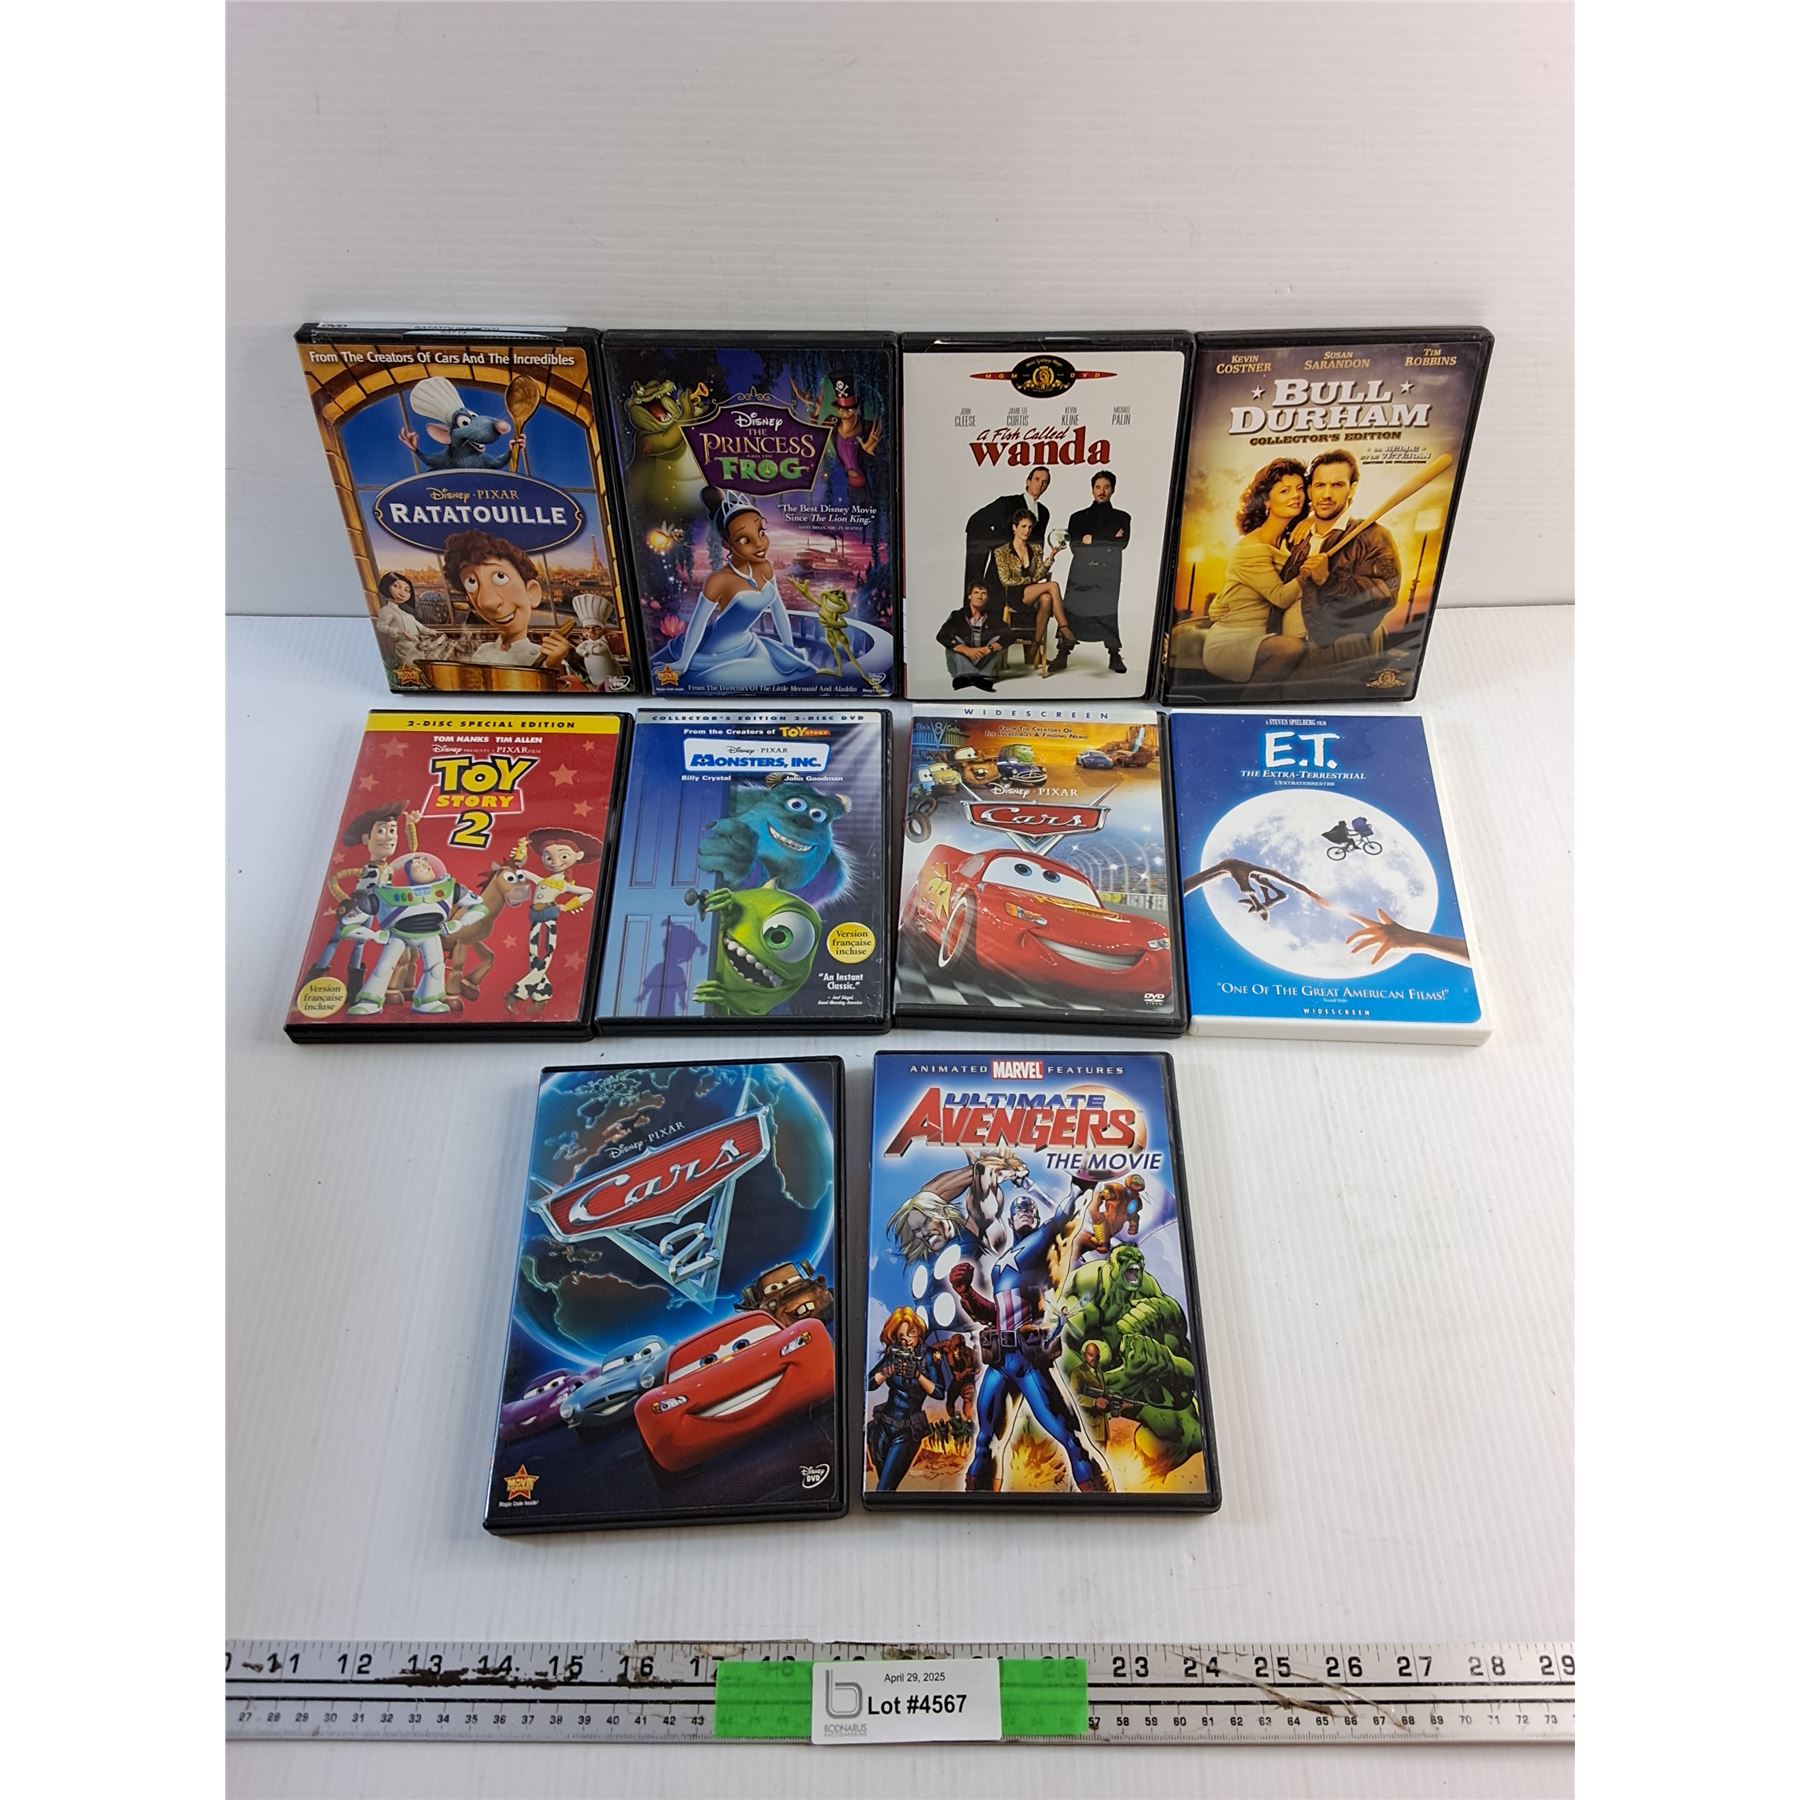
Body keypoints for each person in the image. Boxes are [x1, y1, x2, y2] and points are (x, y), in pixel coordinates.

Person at [670, 487, 817, 687]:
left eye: (761, 532)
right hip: (717, 652)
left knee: (797, 673)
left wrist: (789, 648)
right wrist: (684, 662)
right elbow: (698, 622)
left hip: (748, 643)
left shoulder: (765, 567)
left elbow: (778, 609)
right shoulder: (718, 580)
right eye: (745, 540)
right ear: (727, 544)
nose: (760, 544)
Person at [1198, 460, 1310, 686]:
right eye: (1285, 491)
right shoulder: (1251, 548)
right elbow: (1280, 597)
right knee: (1293, 648)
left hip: (1262, 633)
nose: (1295, 496)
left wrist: (1312, 519)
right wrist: (1307, 575)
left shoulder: (1287, 540)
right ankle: (1248, 702)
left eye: (1299, 489)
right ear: (1266, 500)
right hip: (1232, 640)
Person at [1278, 450, 1402, 649]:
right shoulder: (1298, 539)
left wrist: (1329, 581)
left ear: (1352, 489)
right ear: (1310, 491)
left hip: (1333, 649)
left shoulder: (1372, 536)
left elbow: (1386, 595)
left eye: (1337, 485)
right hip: (1285, 651)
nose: (1326, 494)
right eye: (1320, 485)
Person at [440, 531, 575, 671]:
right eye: (471, 583)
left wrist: (554, 665)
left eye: (500, 577)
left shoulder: (544, 658)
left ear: (532, 592)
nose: (487, 601)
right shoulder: (483, 652)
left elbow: (563, 682)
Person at [1059, 470, 1132, 673]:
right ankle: (1063, 652)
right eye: (1098, 487)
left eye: (1106, 487)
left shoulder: (1122, 517)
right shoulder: (1077, 517)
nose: (1102, 491)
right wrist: (1107, 539)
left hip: (1108, 575)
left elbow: (1121, 543)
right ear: (1092, 490)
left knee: (1107, 612)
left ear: (1113, 490)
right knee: (1073, 610)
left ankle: (1114, 654)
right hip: (1081, 573)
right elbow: (1076, 546)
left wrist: (1092, 539)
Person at [991, 509, 1071, 674]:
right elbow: (1005, 580)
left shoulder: (1035, 548)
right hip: (1015, 595)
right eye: (1023, 526)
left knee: (1047, 599)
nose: (1027, 530)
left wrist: (1051, 556)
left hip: (1032, 593)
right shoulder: (1001, 552)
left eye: (1029, 527)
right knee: (1053, 585)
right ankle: (1064, 628)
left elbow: (1038, 574)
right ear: (1014, 527)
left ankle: (1034, 647)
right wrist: (1030, 580)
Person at [964, 465, 1051, 599]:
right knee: (993, 602)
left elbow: (1039, 543)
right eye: (1037, 479)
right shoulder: (1007, 503)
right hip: (1003, 569)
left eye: (1045, 482)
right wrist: (999, 545)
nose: (1040, 484)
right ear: (1028, 482)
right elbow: (975, 522)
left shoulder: (1044, 512)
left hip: (1026, 571)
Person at [936, 581, 1005, 690]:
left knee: (998, 640)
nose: (980, 596)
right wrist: (967, 650)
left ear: (988, 598)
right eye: (976, 592)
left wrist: (989, 648)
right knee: (954, 639)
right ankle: (977, 679)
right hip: (962, 663)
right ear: (969, 596)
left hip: (982, 660)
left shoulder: (993, 616)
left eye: (984, 593)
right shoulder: (958, 615)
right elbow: (941, 636)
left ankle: (971, 678)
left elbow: (1010, 635)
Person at [371, 572, 446, 665]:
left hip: (417, 648)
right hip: (404, 651)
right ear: (386, 587)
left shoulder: (406, 613)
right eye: (396, 586)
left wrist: (433, 632)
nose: (402, 593)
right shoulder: (387, 610)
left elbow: (420, 627)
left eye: (407, 590)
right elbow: (380, 626)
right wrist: (400, 632)